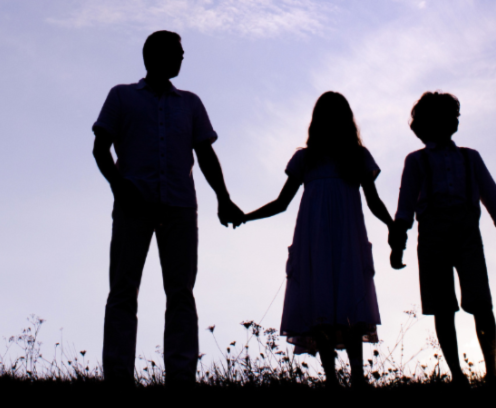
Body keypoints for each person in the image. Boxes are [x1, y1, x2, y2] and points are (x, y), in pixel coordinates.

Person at [92, 30, 244, 385]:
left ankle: (180, 376)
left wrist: (223, 197)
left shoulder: (190, 103)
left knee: (180, 292)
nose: (182, 56)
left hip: (178, 206)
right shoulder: (122, 96)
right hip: (134, 205)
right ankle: (117, 375)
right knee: (124, 290)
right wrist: (119, 186)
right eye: (177, 51)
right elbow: (100, 148)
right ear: (154, 55)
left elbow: (205, 154)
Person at [241, 91, 394, 388]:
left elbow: (373, 200)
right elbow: (281, 202)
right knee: (321, 299)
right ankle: (332, 379)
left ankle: (359, 378)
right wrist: (246, 216)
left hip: (348, 238)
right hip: (315, 240)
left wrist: (392, 225)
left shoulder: (357, 158)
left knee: (351, 299)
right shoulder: (305, 159)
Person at [389, 91, 496, 385]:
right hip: (432, 232)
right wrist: (399, 243)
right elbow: (405, 206)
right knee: (442, 306)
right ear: (425, 123)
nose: (453, 121)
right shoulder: (416, 161)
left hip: (467, 230)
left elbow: (492, 196)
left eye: (455, 117)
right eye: (447, 116)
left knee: (481, 302)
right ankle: (457, 375)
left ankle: (492, 372)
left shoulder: (470, 157)